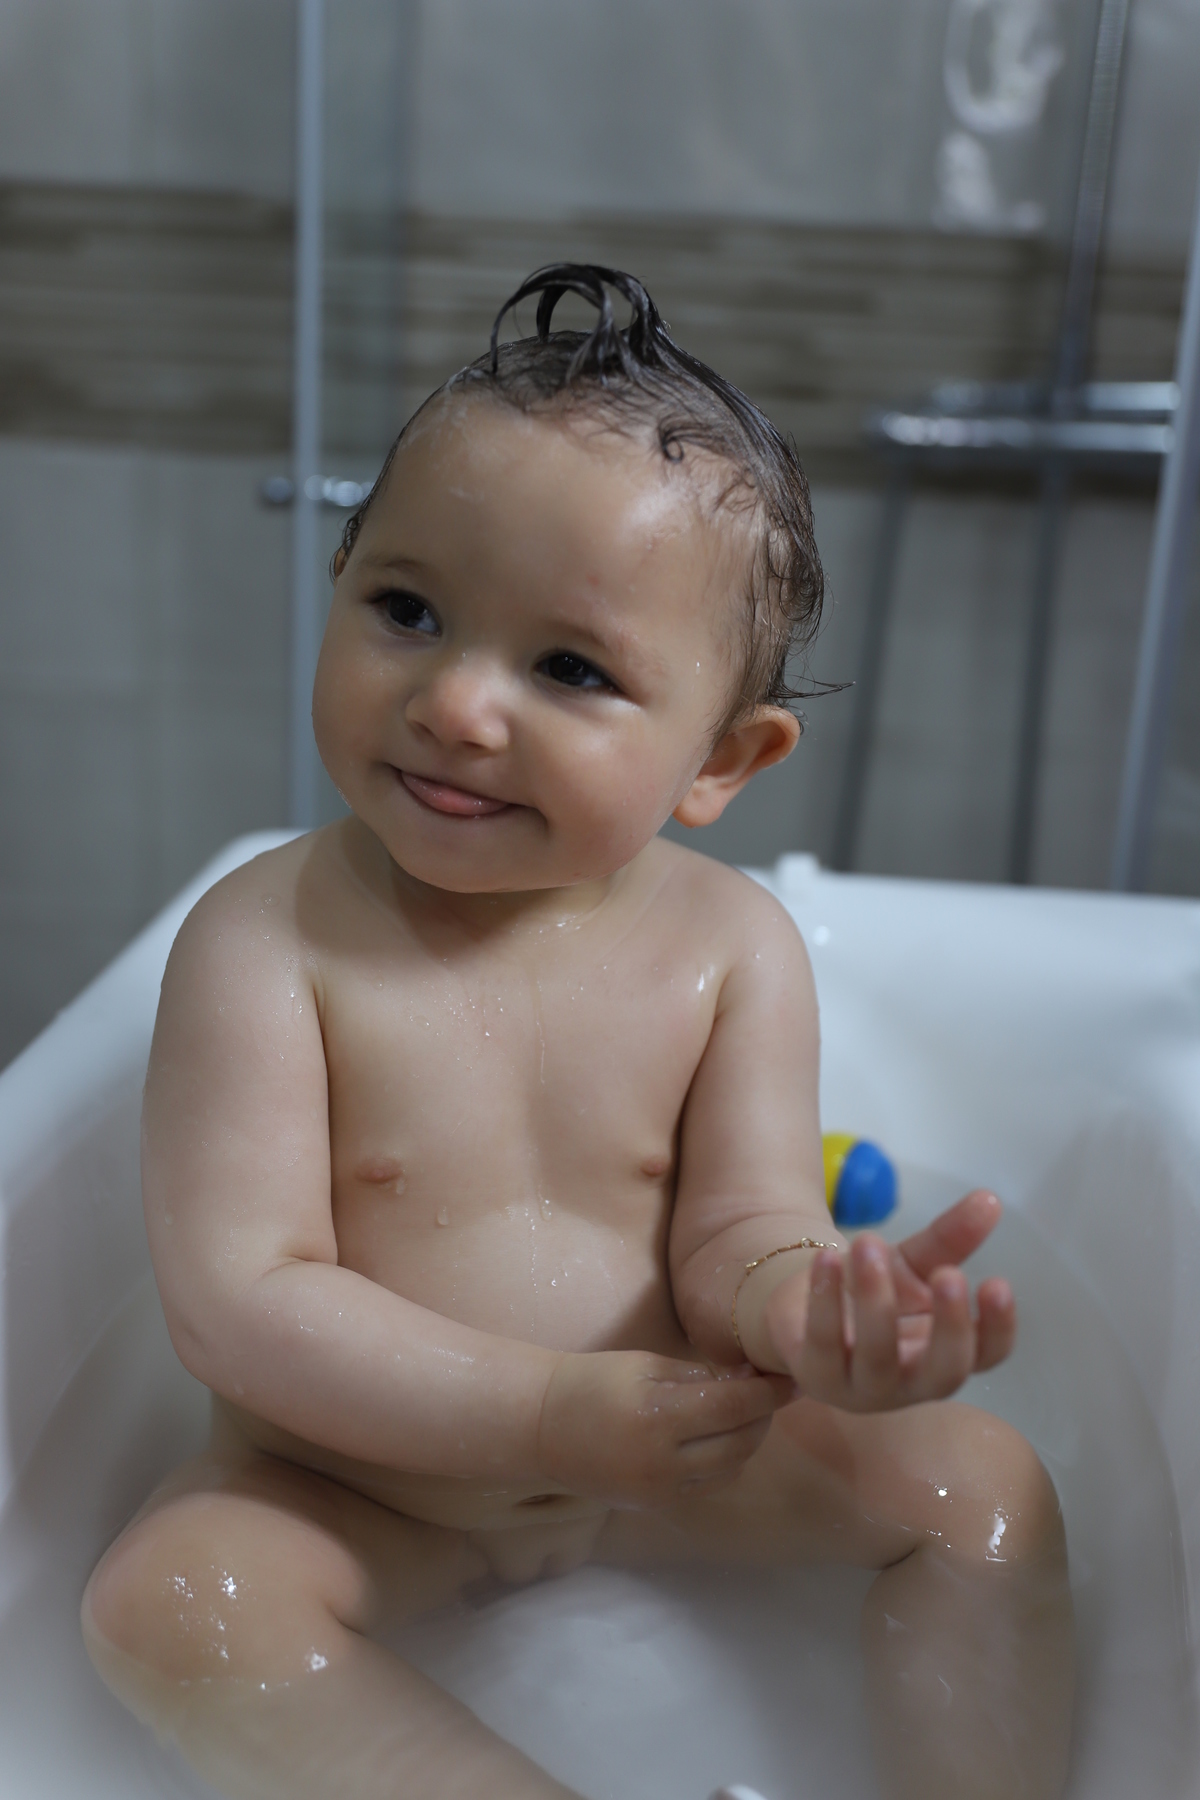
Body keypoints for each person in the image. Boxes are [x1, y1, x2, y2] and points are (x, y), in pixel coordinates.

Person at [82, 265, 1073, 1800]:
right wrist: (544, 1413)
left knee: (985, 1490)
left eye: (569, 668)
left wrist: (810, 1318)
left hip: (671, 1466)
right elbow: (239, 1304)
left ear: (720, 761)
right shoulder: (265, 944)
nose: (457, 704)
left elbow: (742, 1227)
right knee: (175, 1604)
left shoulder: (730, 950)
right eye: (407, 609)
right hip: (362, 1501)